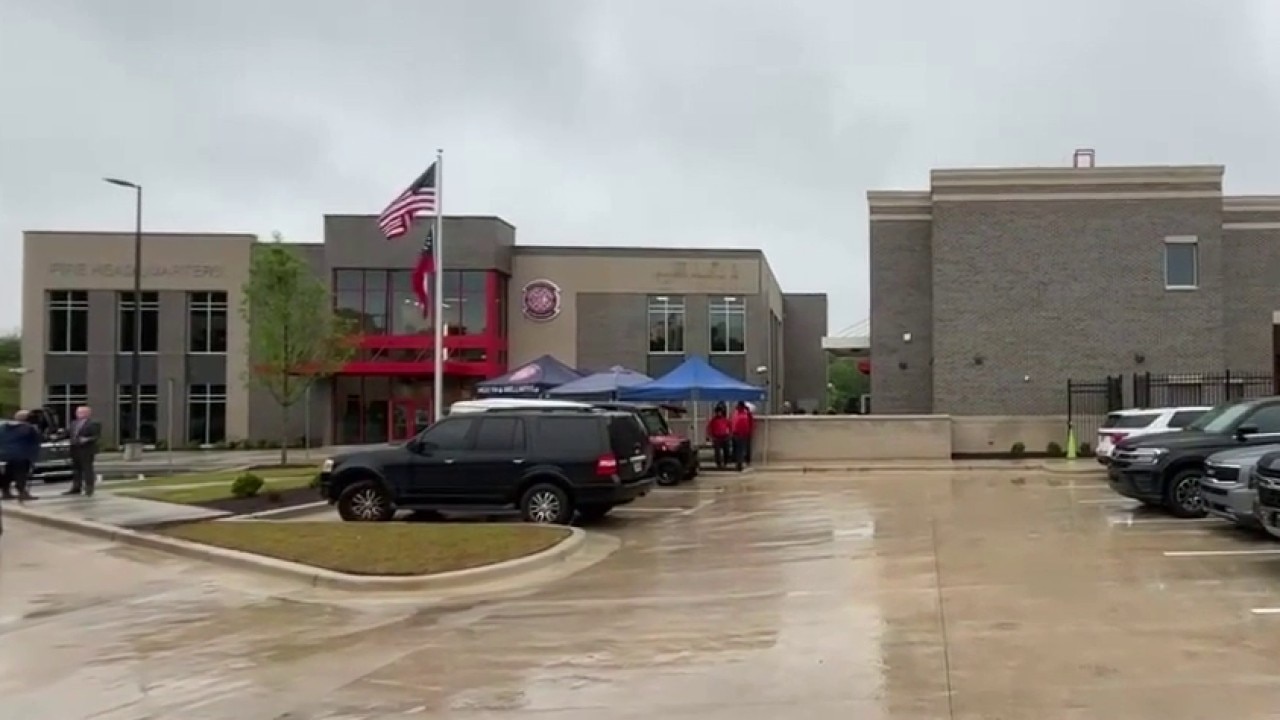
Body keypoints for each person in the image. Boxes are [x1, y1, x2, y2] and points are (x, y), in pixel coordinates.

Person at [0, 410, 40, 501]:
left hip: (5, 454)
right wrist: (33, 456)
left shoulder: (3, 427)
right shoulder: (28, 428)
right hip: (22, 455)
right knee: (21, 474)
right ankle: (22, 493)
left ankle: (6, 492)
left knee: (8, 474)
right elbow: (34, 442)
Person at [65, 405, 101, 497]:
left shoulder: (93, 423)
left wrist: (87, 439)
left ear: (88, 413)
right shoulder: (74, 423)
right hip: (75, 448)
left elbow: (96, 436)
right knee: (76, 469)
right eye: (78, 412)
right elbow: (68, 433)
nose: (78, 414)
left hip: (86, 450)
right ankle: (76, 487)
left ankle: (89, 488)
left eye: (81, 412)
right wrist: (56, 437)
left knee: (87, 469)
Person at [706, 405, 732, 469]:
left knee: (726, 450)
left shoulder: (725, 420)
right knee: (717, 452)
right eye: (718, 412)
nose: (719, 413)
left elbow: (730, 427)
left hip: (725, 437)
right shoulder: (713, 420)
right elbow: (709, 428)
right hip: (716, 437)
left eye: (720, 412)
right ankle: (719, 464)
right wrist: (711, 436)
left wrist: (729, 435)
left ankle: (726, 462)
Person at [730, 401, 754, 472]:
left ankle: (740, 463)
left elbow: (750, 423)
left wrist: (749, 431)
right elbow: (732, 422)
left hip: (743, 434)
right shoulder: (736, 413)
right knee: (738, 450)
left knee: (741, 450)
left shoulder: (746, 413)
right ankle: (739, 463)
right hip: (737, 433)